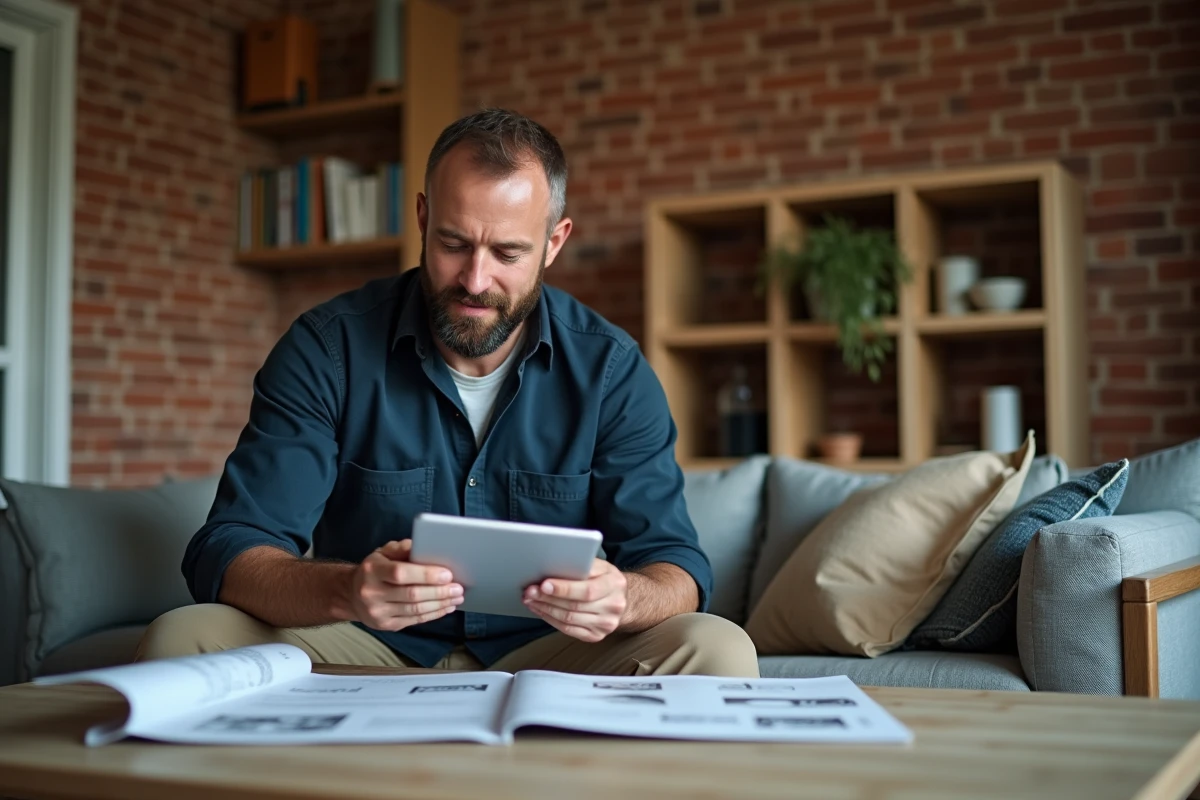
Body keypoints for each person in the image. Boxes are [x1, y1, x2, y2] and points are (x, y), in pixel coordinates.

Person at [136, 108, 758, 678]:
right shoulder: (327, 350)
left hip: (549, 653)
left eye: (508, 253)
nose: (475, 280)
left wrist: (623, 598)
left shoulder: (610, 369)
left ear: (554, 242)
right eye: (454, 244)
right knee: (183, 639)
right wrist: (348, 589)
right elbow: (230, 549)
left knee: (717, 648)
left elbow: (676, 567)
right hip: (366, 643)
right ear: (423, 218)